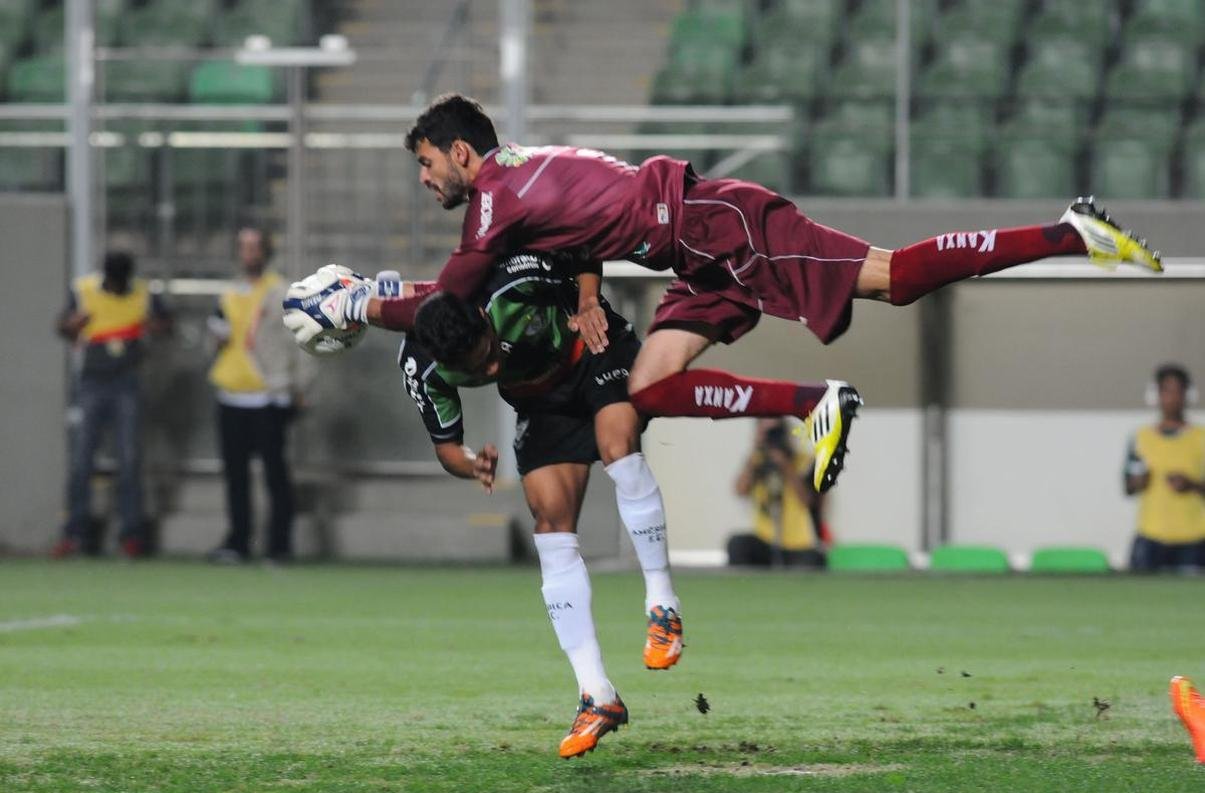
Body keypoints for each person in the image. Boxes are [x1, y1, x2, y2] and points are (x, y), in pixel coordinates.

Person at [283, 93, 1163, 495]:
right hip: (689, 255)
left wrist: (359, 302)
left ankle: (1066, 233)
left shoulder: (495, 199)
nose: (425, 180)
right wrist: (586, 292)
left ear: (460, 152)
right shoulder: (512, 183)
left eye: (427, 164)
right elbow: (530, 252)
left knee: (892, 279)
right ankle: (818, 404)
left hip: (716, 226)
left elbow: (456, 305)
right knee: (645, 390)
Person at [378, 250, 681, 758]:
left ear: (481, 318)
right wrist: (472, 463)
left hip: (594, 351)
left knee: (617, 450)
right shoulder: (423, 368)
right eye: (480, 370)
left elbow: (583, 250)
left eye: (490, 352)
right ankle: (596, 694)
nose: (493, 365)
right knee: (550, 525)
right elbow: (446, 447)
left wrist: (587, 300)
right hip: (541, 399)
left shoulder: (507, 279)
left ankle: (662, 604)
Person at [53, 250, 170, 558]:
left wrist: (154, 326)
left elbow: (166, 325)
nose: (117, 288)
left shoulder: (143, 293)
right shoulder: (85, 290)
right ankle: (74, 533)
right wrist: (73, 324)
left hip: (127, 382)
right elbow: (62, 328)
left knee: (130, 460)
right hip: (92, 382)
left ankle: (131, 536)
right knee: (82, 461)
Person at [207, 227, 310, 564]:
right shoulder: (229, 293)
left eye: (254, 247)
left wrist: (299, 387)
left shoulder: (281, 291)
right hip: (231, 393)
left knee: (275, 473)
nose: (248, 253)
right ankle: (238, 541)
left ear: (266, 251)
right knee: (235, 475)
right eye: (243, 247)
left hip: (268, 395)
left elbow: (300, 342)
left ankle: (279, 544)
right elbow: (219, 336)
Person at [1123, 364, 1204, 572]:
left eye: (1178, 391)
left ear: (1188, 395)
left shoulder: (1200, 438)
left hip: (1194, 538)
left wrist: (1192, 485)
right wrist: (1139, 482)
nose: (1172, 398)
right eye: (1166, 391)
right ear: (1156, 395)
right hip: (1151, 537)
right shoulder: (1141, 438)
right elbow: (1128, 486)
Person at [728, 418, 826, 568]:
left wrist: (786, 466)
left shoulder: (803, 461)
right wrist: (755, 454)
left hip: (798, 544)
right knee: (737, 544)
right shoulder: (756, 461)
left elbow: (808, 501)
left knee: (814, 561)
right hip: (765, 540)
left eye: (775, 432)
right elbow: (740, 490)